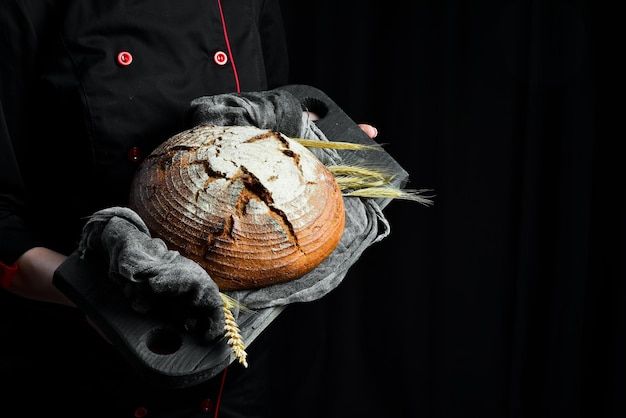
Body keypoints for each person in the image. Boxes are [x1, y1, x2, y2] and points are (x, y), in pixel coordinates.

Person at [0, 1, 377, 417]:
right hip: (84, 368)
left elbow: (262, 127)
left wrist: (307, 169)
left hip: (230, 365)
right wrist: (103, 302)